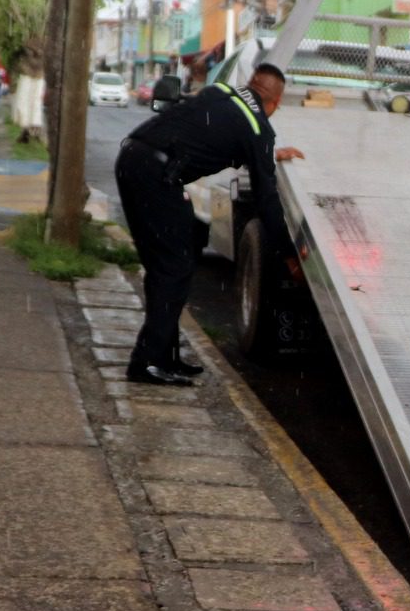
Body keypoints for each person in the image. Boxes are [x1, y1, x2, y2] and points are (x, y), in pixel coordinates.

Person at [114, 62, 305, 385]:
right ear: (275, 101)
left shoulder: (220, 93)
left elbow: (216, 133)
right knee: (174, 267)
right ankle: (146, 362)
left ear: (252, 84)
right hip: (155, 176)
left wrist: (267, 155)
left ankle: (164, 357)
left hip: (135, 160)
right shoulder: (257, 127)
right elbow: (267, 201)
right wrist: (288, 254)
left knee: (171, 263)